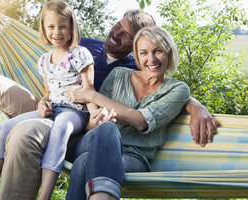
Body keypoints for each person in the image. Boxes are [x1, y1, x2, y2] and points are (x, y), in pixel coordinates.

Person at [0, 9, 217, 200]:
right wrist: (42, 97)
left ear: (135, 46)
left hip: (76, 121)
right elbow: (47, 63)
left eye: (126, 34)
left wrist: (196, 106)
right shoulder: (83, 42)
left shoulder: (134, 66)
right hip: (45, 101)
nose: (116, 33)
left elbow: (161, 88)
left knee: (26, 135)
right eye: (118, 26)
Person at [0, 0, 98, 200]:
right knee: (2, 129)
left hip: (75, 113)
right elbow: (48, 92)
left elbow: (89, 90)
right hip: (53, 109)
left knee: (61, 126)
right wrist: (42, 102)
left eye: (63, 26)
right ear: (44, 29)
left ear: (71, 27)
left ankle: (44, 196)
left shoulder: (81, 55)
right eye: (51, 27)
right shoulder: (44, 60)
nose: (57, 32)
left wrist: (95, 116)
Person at [63, 25, 189, 199]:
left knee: (83, 162)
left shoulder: (177, 90)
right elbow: (93, 124)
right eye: (144, 53)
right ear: (137, 55)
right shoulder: (119, 74)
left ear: (169, 52)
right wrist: (96, 120)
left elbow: (140, 121)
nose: (151, 59)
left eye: (158, 51)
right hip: (93, 141)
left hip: (134, 157)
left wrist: (90, 94)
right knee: (107, 128)